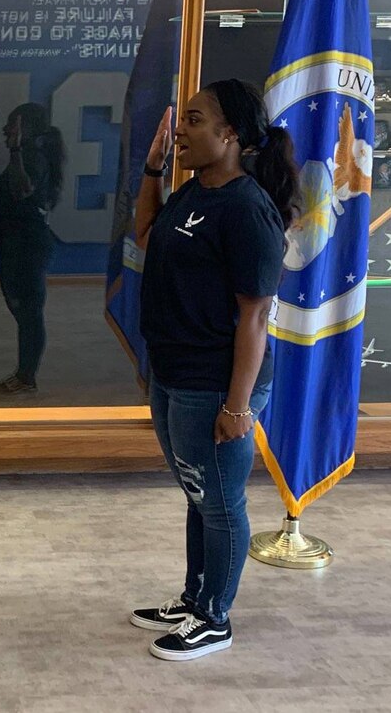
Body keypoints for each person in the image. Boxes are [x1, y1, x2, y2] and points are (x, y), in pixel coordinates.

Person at [130, 79, 300, 661]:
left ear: (230, 135)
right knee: (198, 492)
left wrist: (237, 406)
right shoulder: (194, 190)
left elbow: (256, 319)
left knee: (221, 501)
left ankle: (215, 618)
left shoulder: (248, 209)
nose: (180, 130)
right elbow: (146, 237)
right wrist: (153, 171)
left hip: (216, 381)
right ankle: (193, 597)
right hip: (175, 371)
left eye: (195, 121)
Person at [0, 103, 64, 396]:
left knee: (29, 314)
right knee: (24, 314)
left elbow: (22, 190)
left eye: (12, 124)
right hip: (16, 249)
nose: (5, 129)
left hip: (27, 250)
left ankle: (26, 377)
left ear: (27, 129)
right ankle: (23, 374)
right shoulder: (30, 156)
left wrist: (16, 150)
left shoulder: (33, 156)